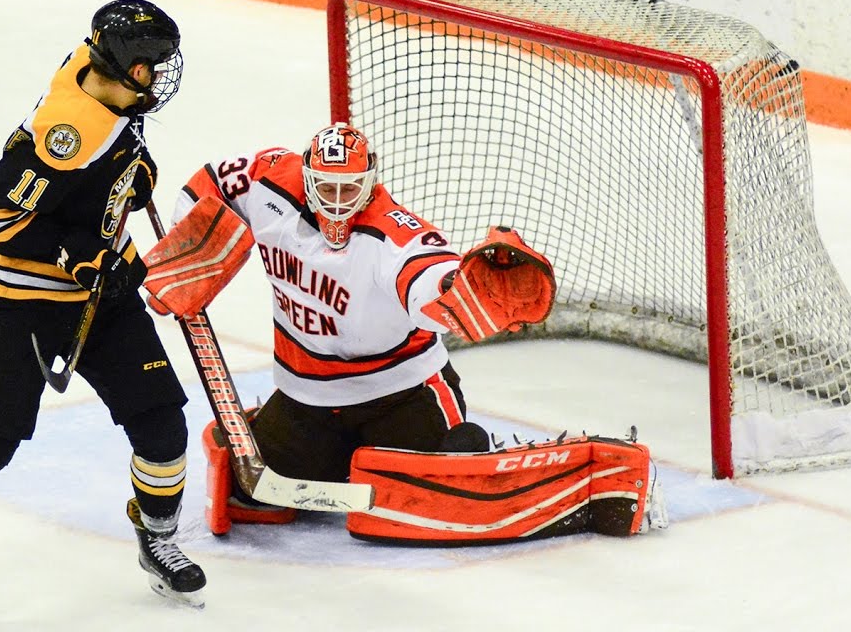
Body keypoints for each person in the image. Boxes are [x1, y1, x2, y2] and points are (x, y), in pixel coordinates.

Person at [0, 0, 204, 632]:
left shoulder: (99, 78)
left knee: (163, 424)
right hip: (21, 309)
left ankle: (157, 536)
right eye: (151, 63)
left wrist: (124, 182)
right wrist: (85, 259)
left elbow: (92, 177)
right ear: (124, 65)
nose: (160, 74)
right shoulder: (70, 129)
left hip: (99, 300)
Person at [142, 122, 559, 531]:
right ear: (306, 179)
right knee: (252, 493)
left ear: (370, 183)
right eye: (326, 188)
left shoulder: (393, 232)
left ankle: (458, 449)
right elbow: (211, 181)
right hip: (308, 399)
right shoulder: (270, 183)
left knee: (437, 492)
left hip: (400, 396)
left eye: (350, 190)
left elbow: (427, 274)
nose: (338, 203)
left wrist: (457, 289)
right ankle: (328, 448)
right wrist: (191, 247)